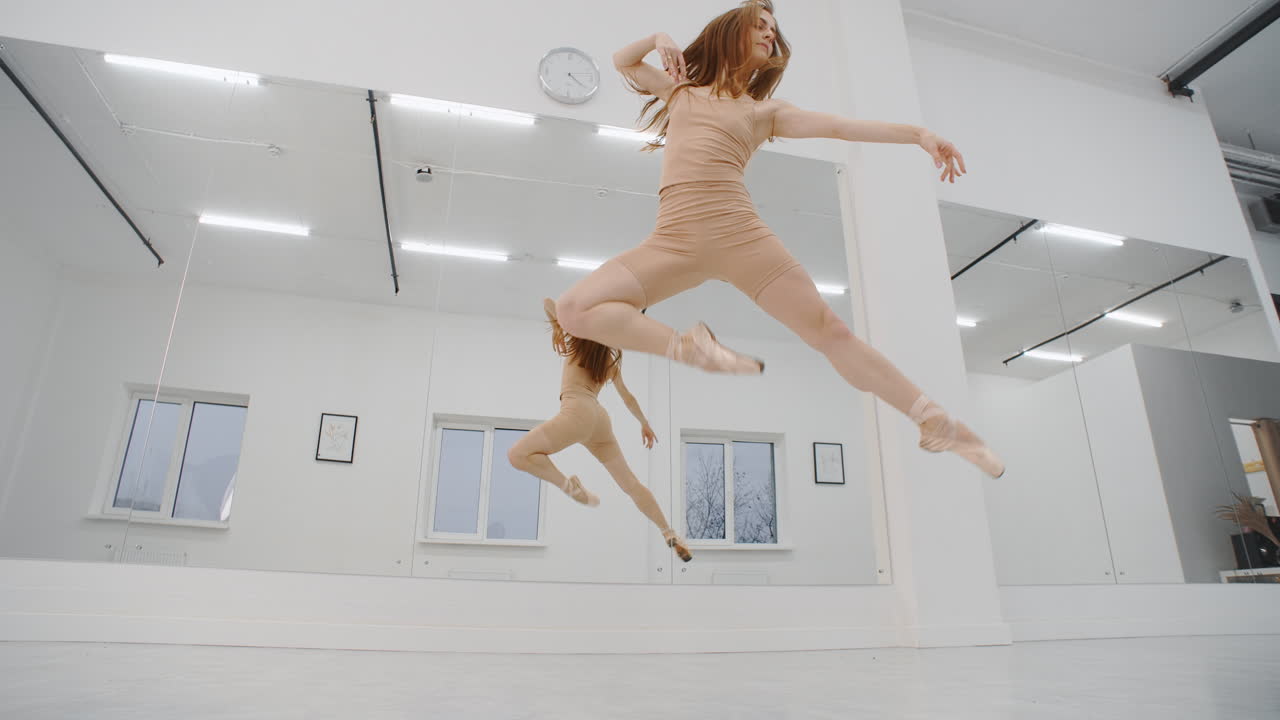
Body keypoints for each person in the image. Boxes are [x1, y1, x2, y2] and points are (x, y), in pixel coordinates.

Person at [554, 0, 1003, 478]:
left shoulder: (765, 111)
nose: (770, 34)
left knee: (831, 333)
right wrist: (658, 36)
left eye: (774, 29)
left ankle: (933, 418)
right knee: (574, 309)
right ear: (731, 33)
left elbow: (841, 126)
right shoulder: (681, 92)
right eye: (760, 25)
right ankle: (689, 349)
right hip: (674, 241)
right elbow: (624, 61)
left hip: (739, 233)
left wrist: (919, 134)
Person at [507, 299, 693, 561]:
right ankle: (668, 532)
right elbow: (627, 397)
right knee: (631, 484)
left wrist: (559, 327)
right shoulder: (610, 360)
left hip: (576, 412)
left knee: (518, 455)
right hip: (599, 421)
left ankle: (568, 486)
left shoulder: (579, 334)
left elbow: (548, 302)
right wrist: (644, 423)